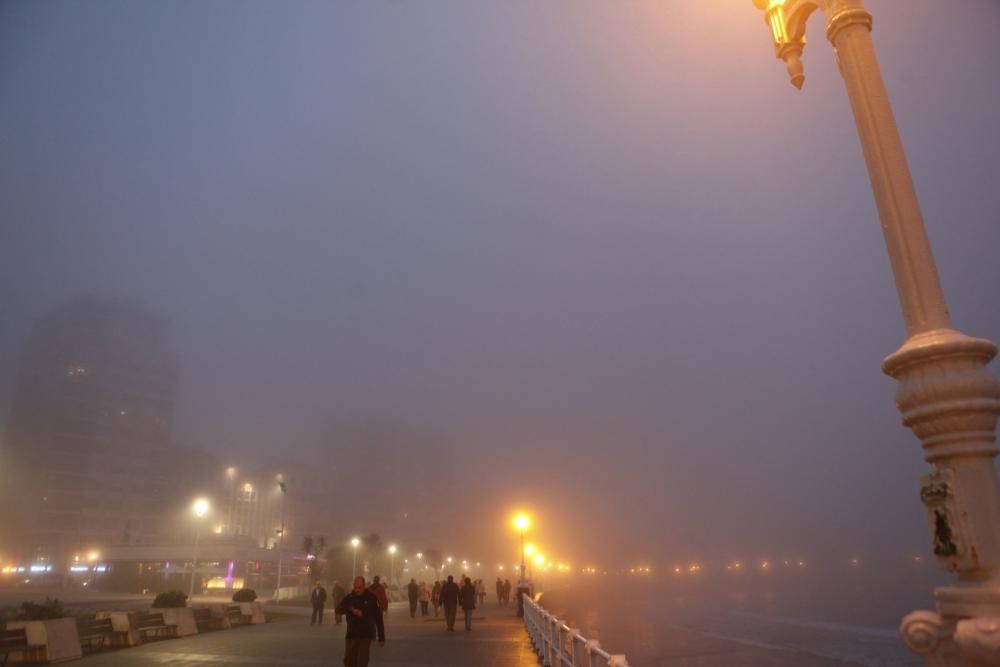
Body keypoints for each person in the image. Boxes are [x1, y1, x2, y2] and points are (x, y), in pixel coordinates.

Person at [334, 576, 385, 667]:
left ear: (364, 586)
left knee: (362, 662)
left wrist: (381, 637)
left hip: (365, 635)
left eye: (359, 587)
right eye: (355, 587)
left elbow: (378, 618)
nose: (357, 590)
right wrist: (350, 609)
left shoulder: (371, 598)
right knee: (349, 662)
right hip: (351, 635)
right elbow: (338, 609)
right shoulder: (349, 597)